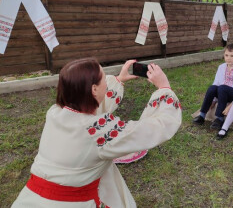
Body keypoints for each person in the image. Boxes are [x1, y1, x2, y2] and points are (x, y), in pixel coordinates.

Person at [12, 58, 182, 208]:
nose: (107, 82)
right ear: (94, 89)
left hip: (32, 199)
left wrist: (119, 80)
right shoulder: (99, 132)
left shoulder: (55, 113)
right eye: (104, 79)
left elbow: (92, 106)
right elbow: (155, 128)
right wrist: (164, 88)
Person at [193, 43, 233, 130]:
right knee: (212, 87)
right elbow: (216, 83)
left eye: (232, 56)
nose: (228, 58)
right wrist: (213, 101)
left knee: (222, 88)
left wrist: (231, 105)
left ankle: (219, 118)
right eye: (226, 55)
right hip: (221, 91)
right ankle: (202, 115)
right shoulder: (221, 67)